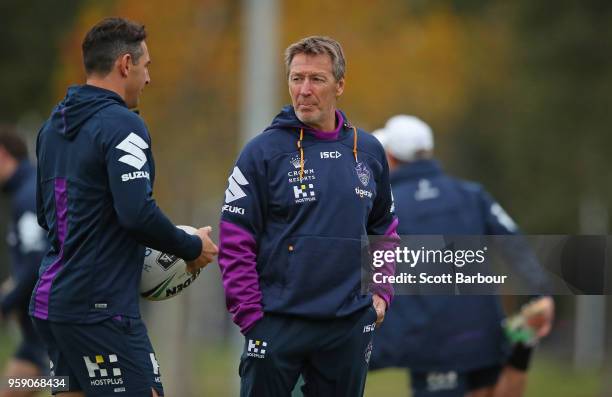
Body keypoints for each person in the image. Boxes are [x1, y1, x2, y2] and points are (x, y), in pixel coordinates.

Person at [29, 17, 218, 397]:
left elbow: (45, 217)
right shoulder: (122, 125)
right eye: (146, 66)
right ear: (125, 65)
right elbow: (136, 214)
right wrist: (191, 247)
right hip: (99, 310)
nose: (148, 79)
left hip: (52, 306)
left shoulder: (51, 128)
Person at [218, 36, 398, 397]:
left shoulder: (370, 152)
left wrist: (380, 291)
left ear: (340, 85)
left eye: (316, 79)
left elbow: (384, 229)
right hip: (276, 323)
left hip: (348, 325)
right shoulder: (261, 152)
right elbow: (235, 239)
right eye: (296, 78)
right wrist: (251, 316)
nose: (304, 90)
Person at [369, 115, 554, 397]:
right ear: (427, 152)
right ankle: (521, 349)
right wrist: (540, 292)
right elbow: (512, 240)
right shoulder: (471, 195)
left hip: (430, 343)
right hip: (482, 331)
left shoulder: (385, 205)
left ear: (391, 157)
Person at [0, 127, 48, 397]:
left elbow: (39, 260)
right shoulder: (25, 190)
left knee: (65, 384)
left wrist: (6, 304)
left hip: (50, 336)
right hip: (35, 341)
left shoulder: (29, 194)